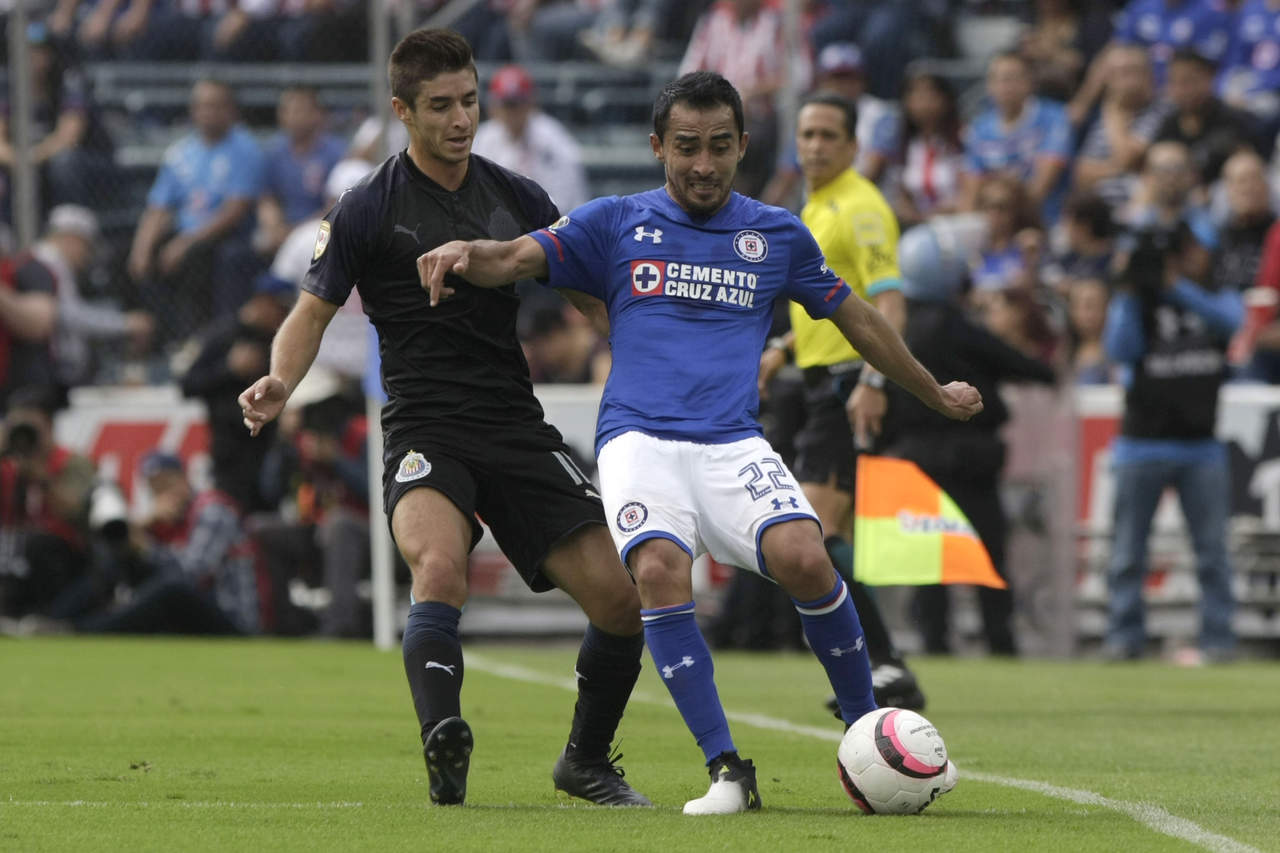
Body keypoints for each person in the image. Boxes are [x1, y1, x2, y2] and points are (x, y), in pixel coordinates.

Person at [419, 70, 979, 814]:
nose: (704, 164)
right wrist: (465, 249)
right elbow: (515, 257)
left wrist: (930, 388)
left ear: (743, 145)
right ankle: (727, 770)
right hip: (639, 440)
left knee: (807, 556)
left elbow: (857, 316)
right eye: (687, 147)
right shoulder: (615, 220)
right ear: (658, 147)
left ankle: (865, 732)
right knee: (657, 568)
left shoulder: (776, 233)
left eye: (720, 146)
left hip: (732, 443)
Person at [237, 28, 651, 809]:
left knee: (622, 601)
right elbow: (309, 313)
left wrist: (651, 347)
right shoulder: (366, 208)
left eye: (469, 100)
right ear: (402, 111)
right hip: (425, 426)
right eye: (440, 105)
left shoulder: (517, 195)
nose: (461, 118)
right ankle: (445, 746)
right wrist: (279, 380)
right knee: (439, 569)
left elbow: (591, 298)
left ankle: (585, 761)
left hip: (514, 425)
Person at [756, 91, 928, 712]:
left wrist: (877, 382)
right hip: (818, 379)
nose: (816, 145)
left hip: (848, 383)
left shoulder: (861, 207)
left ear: (854, 146)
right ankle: (886, 663)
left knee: (816, 532)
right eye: (807, 134)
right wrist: (782, 345)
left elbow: (888, 298)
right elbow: (826, 300)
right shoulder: (817, 203)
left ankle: (882, 662)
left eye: (830, 135)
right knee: (834, 536)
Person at [884, 224, 1058, 656]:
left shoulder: (897, 329)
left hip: (917, 458)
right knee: (987, 554)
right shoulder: (958, 328)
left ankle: (935, 643)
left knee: (928, 561)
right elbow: (1020, 364)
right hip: (971, 458)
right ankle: (1000, 641)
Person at [1102, 223, 1241, 664]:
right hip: (1141, 443)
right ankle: (1125, 638)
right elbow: (1119, 350)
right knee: (1127, 553)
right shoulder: (1135, 301)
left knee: (1213, 554)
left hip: (1201, 444)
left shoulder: (1214, 293)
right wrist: (1129, 291)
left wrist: (1176, 287)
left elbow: (1234, 323)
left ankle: (1218, 640)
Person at [127, 79, 266, 348]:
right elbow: (158, 207)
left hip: (225, 235)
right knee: (124, 259)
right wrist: (140, 249)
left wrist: (185, 243)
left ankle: (194, 342)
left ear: (231, 110)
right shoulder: (180, 153)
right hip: (184, 232)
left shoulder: (245, 149)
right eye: (201, 105)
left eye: (215, 105)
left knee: (194, 258)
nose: (207, 112)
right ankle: (148, 343)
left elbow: (235, 211)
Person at [960, 50, 1074, 225]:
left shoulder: (1055, 118)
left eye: (1011, 78)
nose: (1004, 86)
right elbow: (972, 193)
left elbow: (1041, 188)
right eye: (997, 79)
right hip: (993, 224)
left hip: (1048, 220)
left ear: (1029, 82)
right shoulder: (979, 129)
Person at [471, 65, 590, 213]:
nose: (512, 111)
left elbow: (568, 197)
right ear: (493, 106)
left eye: (517, 103)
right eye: (507, 104)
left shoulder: (553, 138)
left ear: (531, 102)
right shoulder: (484, 139)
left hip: (550, 226)